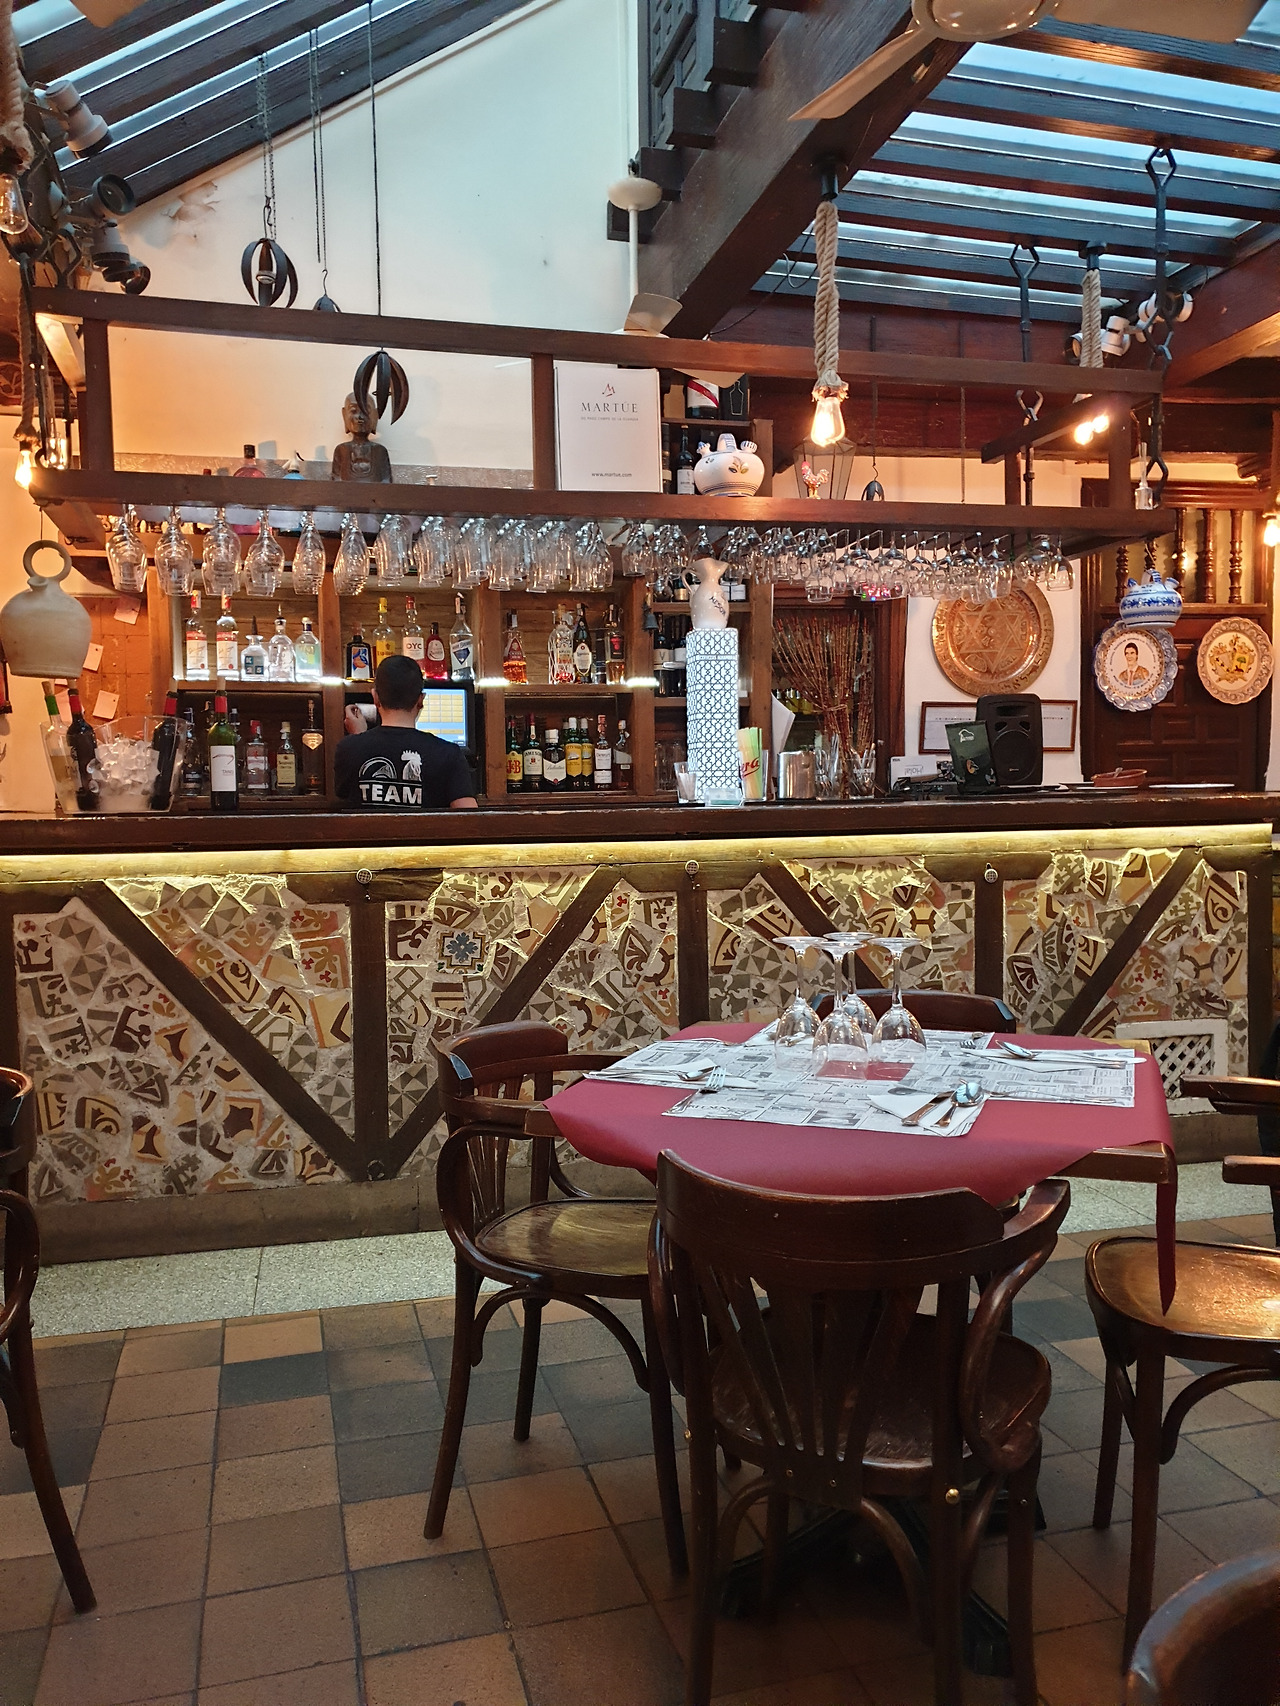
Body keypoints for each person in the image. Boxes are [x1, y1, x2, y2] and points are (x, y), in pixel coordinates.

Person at [335, 655, 477, 809]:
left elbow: (344, 794)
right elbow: (469, 817)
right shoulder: (450, 754)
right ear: (421, 700)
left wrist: (358, 738)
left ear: (375, 697)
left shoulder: (347, 749)